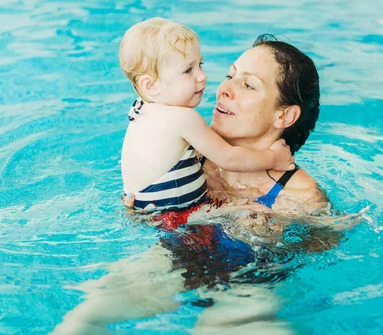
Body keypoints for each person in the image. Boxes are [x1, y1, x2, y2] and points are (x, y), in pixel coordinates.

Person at [52, 35, 365, 335]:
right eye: (230, 76)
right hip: (174, 257)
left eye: (247, 85)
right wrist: (137, 212)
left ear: (285, 115)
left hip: (249, 281)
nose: (224, 89)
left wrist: (276, 228)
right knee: (86, 318)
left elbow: (325, 247)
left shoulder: (300, 193)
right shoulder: (189, 154)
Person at [119, 18, 295, 215]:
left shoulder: (141, 110)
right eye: (188, 70)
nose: (203, 76)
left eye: (200, 65)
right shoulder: (182, 117)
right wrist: (273, 158)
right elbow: (230, 158)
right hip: (177, 214)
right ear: (150, 85)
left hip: (141, 208)